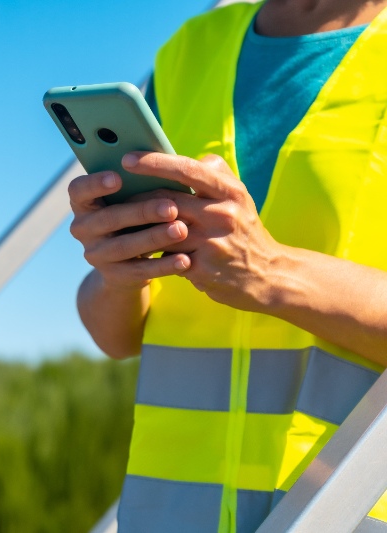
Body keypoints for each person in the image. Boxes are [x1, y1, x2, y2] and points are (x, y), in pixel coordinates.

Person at [67, 0, 387, 531]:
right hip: (164, 516)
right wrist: (116, 272)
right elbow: (117, 337)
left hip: (344, 512)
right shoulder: (190, 49)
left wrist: (270, 272)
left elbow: (258, 268)